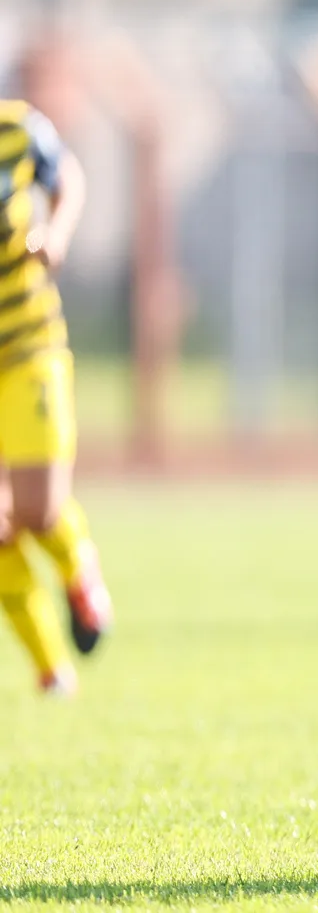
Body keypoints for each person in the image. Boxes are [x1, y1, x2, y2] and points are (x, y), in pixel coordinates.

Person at [0, 99, 114, 696]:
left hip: (27, 347)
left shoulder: (16, 128)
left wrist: (56, 233)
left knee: (37, 511)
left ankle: (77, 566)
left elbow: (68, 173)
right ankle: (51, 671)